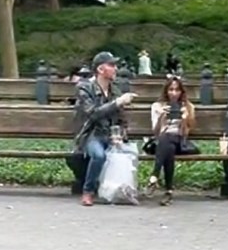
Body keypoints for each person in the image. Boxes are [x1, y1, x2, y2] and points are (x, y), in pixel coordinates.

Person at [72, 51, 137, 206]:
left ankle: (121, 191)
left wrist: (120, 134)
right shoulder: (84, 88)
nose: (116, 69)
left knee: (128, 154)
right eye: (112, 65)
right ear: (101, 69)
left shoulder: (115, 90)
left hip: (110, 134)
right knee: (99, 155)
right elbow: (93, 114)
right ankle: (88, 191)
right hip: (91, 134)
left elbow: (121, 118)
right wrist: (118, 102)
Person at [145, 77, 196, 206]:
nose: (174, 93)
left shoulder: (188, 106)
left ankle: (154, 176)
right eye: (171, 90)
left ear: (181, 92)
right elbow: (156, 133)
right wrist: (162, 116)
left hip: (180, 141)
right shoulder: (157, 106)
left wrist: (184, 119)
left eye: (177, 90)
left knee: (168, 141)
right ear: (166, 91)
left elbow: (185, 134)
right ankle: (168, 191)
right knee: (167, 145)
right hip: (163, 142)